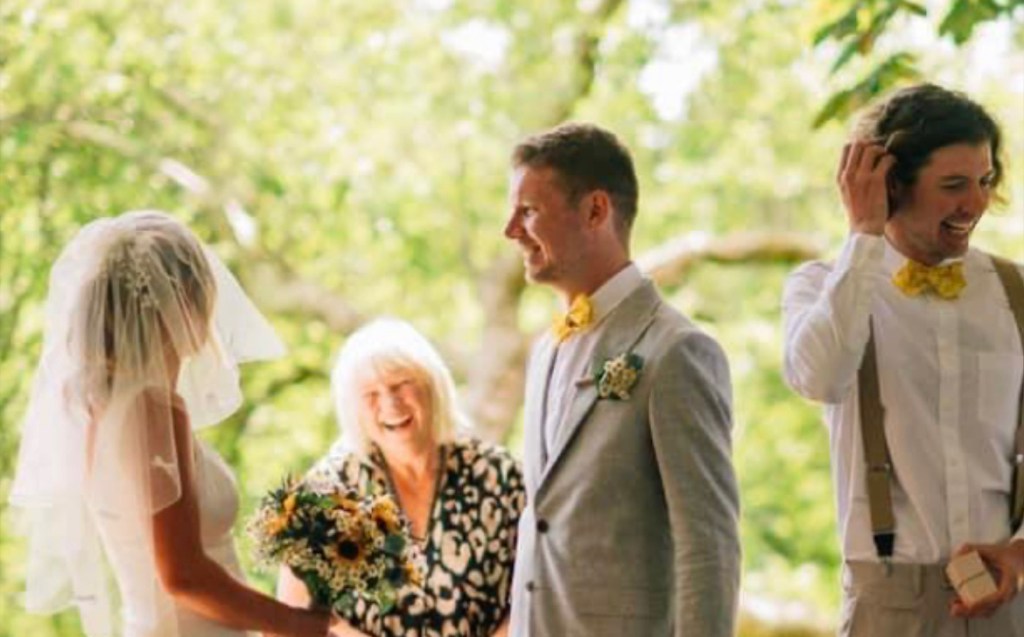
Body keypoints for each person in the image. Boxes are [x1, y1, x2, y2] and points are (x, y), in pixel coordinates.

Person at [9, 211, 343, 637]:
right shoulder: (152, 410)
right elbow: (182, 575)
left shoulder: (106, 408)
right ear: (182, 303)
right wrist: (296, 624)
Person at [782, 83, 1024, 636]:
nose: (977, 203)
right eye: (954, 185)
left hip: (1011, 603)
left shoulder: (1017, 294)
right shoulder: (821, 286)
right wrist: (864, 235)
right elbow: (818, 378)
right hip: (888, 608)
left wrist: (1020, 556)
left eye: (985, 181)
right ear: (891, 186)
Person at [502, 122, 741, 637]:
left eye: (528, 211)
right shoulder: (545, 349)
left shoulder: (676, 350)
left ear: (595, 210)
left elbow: (709, 545)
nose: (510, 230)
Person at [276, 318, 525, 637]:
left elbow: (538, 591)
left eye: (401, 384)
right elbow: (291, 620)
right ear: (353, 408)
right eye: (371, 394)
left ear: (433, 387)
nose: (390, 404)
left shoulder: (500, 476)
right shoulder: (324, 493)